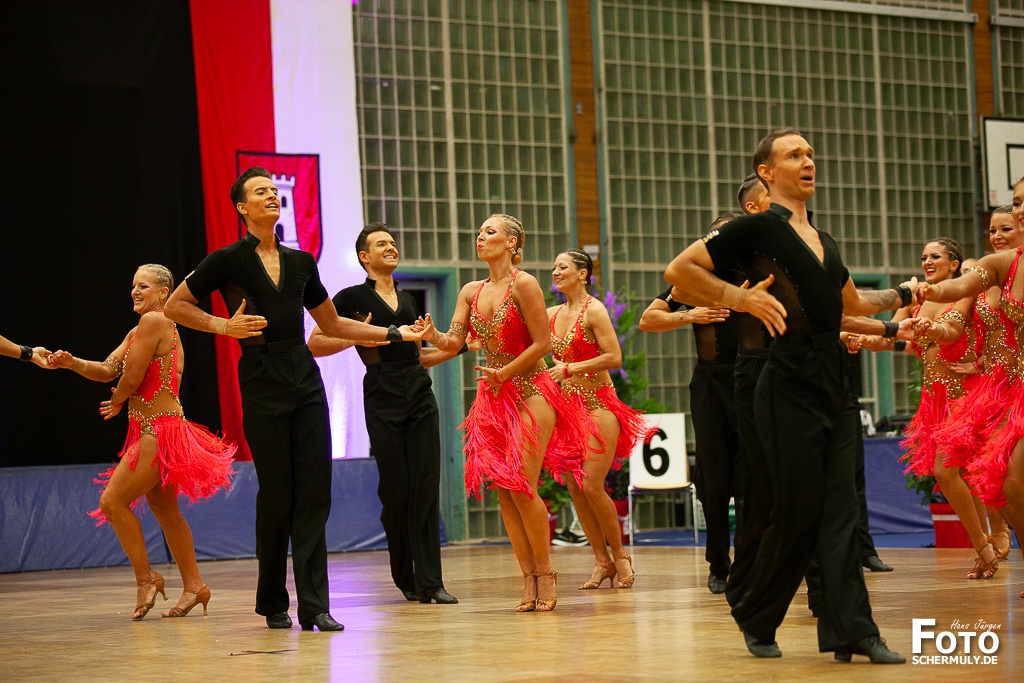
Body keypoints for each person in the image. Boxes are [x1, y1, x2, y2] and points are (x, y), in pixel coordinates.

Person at [665, 129, 909, 663]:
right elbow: (679, 273)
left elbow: (852, 304)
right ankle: (755, 610)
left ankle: (853, 630)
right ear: (767, 172)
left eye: (810, 154)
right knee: (797, 510)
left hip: (833, 379)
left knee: (843, 509)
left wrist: (905, 298)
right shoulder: (755, 228)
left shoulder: (824, 239)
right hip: (784, 378)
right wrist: (739, 298)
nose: (807, 161)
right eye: (794, 155)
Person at [164, 167, 427, 632]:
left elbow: (333, 325)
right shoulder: (227, 259)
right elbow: (176, 306)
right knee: (277, 493)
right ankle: (272, 600)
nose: (271, 195)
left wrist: (393, 332)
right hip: (261, 374)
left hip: (304, 376)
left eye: (274, 190)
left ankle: (315, 605)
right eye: (260, 191)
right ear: (242, 207)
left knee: (314, 491)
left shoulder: (302, 261)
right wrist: (223, 326)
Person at [48, 264, 235, 619]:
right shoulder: (142, 329)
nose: (135, 291)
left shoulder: (155, 321)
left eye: (143, 286)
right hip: (160, 429)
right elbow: (108, 369)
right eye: (133, 285)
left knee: (112, 502)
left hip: (158, 432)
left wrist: (118, 401)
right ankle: (195, 586)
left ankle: (147, 578)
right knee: (167, 512)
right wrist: (73, 363)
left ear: (164, 293)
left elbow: (132, 376)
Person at [429, 214, 589, 612]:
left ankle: (546, 572)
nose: (480, 236)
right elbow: (455, 340)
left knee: (521, 484)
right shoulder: (470, 290)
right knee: (503, 489)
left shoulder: (525, 284)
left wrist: (505, 372)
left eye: (490, 231)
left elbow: (542, 344)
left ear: (513, 242)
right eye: (479, 231)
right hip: (494, 396)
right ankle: (528, 577)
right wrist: (432, 336)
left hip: (532, 389)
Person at [307, 223, 458, 605]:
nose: (391, 247)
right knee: (396, 490)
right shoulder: (350, 297)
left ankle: (432, 581)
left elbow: (420, 356)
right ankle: (405, 576)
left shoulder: (408, 300)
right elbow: (315, 343)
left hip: (419, 393)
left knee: (426, 485)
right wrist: (358, 335)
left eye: (392, 242)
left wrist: (459, 347)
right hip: (381, 391)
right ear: (364, 256)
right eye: (381, 244)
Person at [854, 239, 997, 579]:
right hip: (935, 398)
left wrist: (970, 354)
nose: (927, 262)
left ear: (954, 264)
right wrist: (861, 339)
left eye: (935, 256)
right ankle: (988, 542)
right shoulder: (916, 300)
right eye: (924, 257)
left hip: (967, 394)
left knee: (950, 471)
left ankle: (986, 544)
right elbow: (889, 337)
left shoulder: (965, 293)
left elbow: (957, 332)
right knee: (961, 472)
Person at [917, 176, 1024, 599]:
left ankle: (993, 540)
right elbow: (956, 314)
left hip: (988, 387)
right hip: (998, 390)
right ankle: (991, 543)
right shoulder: (996, 269)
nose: (997, 233)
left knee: (1001, 477)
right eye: (1015, 202)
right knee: (996, 479)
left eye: (1006, 225)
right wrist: (927, 300)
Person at [640, 212, 740, 595]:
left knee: (753, 479)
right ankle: (719, 565)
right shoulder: (693, 278)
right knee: (712, 480)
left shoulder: (756, 273)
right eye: (714, 236)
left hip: (752, 383)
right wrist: (689, 316)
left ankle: (752, 563)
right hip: (711, 386)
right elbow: (649, 320)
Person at [549, 248, 648, 590]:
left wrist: (569, 368)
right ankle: (601, 561)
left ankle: (620, 556)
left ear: (582, 274)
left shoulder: (594, 310)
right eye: (554, 267)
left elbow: (614, 356)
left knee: (591, 483)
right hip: (568, 411)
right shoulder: (551, 313)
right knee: (576, 489)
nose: (556, 272)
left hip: (599, 405)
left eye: (562, 267)